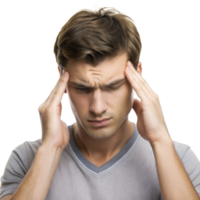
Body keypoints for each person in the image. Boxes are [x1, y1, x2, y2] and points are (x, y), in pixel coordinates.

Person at [0, 3, 200, 200]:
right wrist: (50, 149)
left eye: (113, 87)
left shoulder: (179, 159)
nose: (97, 107)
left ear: (138, 76)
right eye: (83, 88)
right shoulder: (27, 158)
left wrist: (160, 141)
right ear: (61, 78)